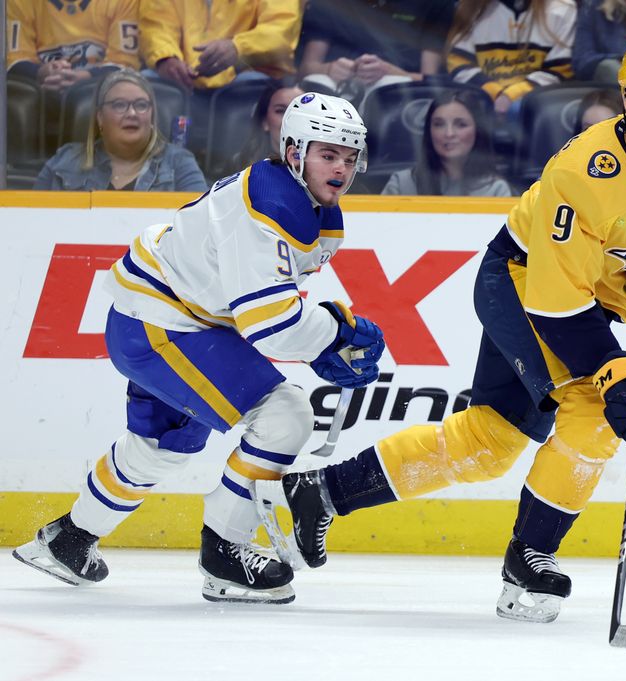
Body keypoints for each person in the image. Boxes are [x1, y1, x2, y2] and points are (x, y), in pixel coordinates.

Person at [262, 38, 626, 622]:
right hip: (522, 283)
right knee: (594, 408)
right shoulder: (582, 173)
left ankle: (322, 492)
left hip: (586, 294)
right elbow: (556, 309)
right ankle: (527, 563)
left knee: (490, 441)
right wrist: (620, 372)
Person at [14, 93, 385, 605]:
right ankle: (225, 555)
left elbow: (258, 300)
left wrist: (326, 333)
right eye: (328, 154)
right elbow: (271, 325)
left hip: (161, 320)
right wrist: (330, 336)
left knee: (165, 445)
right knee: (286, 415)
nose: (342, 168)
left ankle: (69, 542)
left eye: (349, 156)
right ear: (295, 152)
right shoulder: (275, 205)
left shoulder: (301, 200)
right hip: (165, 327)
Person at [33, 69, 207, 192]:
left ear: (152, 115)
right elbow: (33, 224)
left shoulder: (179, 164)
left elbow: (201, 227)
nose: (132, 113)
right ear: (100, 117)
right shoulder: (63, 162)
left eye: (141, 105)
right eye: (119, 105)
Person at [297, 0, 455, 108]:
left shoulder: (435, 3)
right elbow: (306, 68)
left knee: (387, 88)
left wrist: (393, 73)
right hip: (339, 89)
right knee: (318, 81)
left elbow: (429, 79)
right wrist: (329, 69)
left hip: (399, 92)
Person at [447, 0, 577, 116]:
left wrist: (512, 95)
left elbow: (561, 68)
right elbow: (459, 61)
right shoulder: (470, 7)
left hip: (538, 104)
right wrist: (494, 93)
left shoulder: (562, 8)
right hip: (480, 101)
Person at [139, 0, 302, 91]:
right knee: (150, 82)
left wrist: (238, 48)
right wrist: (166, 58)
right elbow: (156, 24)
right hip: (184, 82)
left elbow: (281, 31)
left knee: (251, 84)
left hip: (250, 82)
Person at [381, 90, 512, 197]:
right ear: (429, 131)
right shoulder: (402, 184)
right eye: (439, 124)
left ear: (478, 131)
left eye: (461, 125)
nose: (449, 134)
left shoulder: (496, 190)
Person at [6, 0, 140, 93]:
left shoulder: (124, 2)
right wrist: (41, 72)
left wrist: (86, 77)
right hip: (42, 93)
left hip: (97, 93)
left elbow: (125, 65)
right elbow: (13, 61)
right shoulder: (20, 2)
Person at [220, 80, 305, 177]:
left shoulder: (323, 169)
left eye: (299, 111)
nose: (290, 119)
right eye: (281, 111)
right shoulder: (239, 167)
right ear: (265, 122)